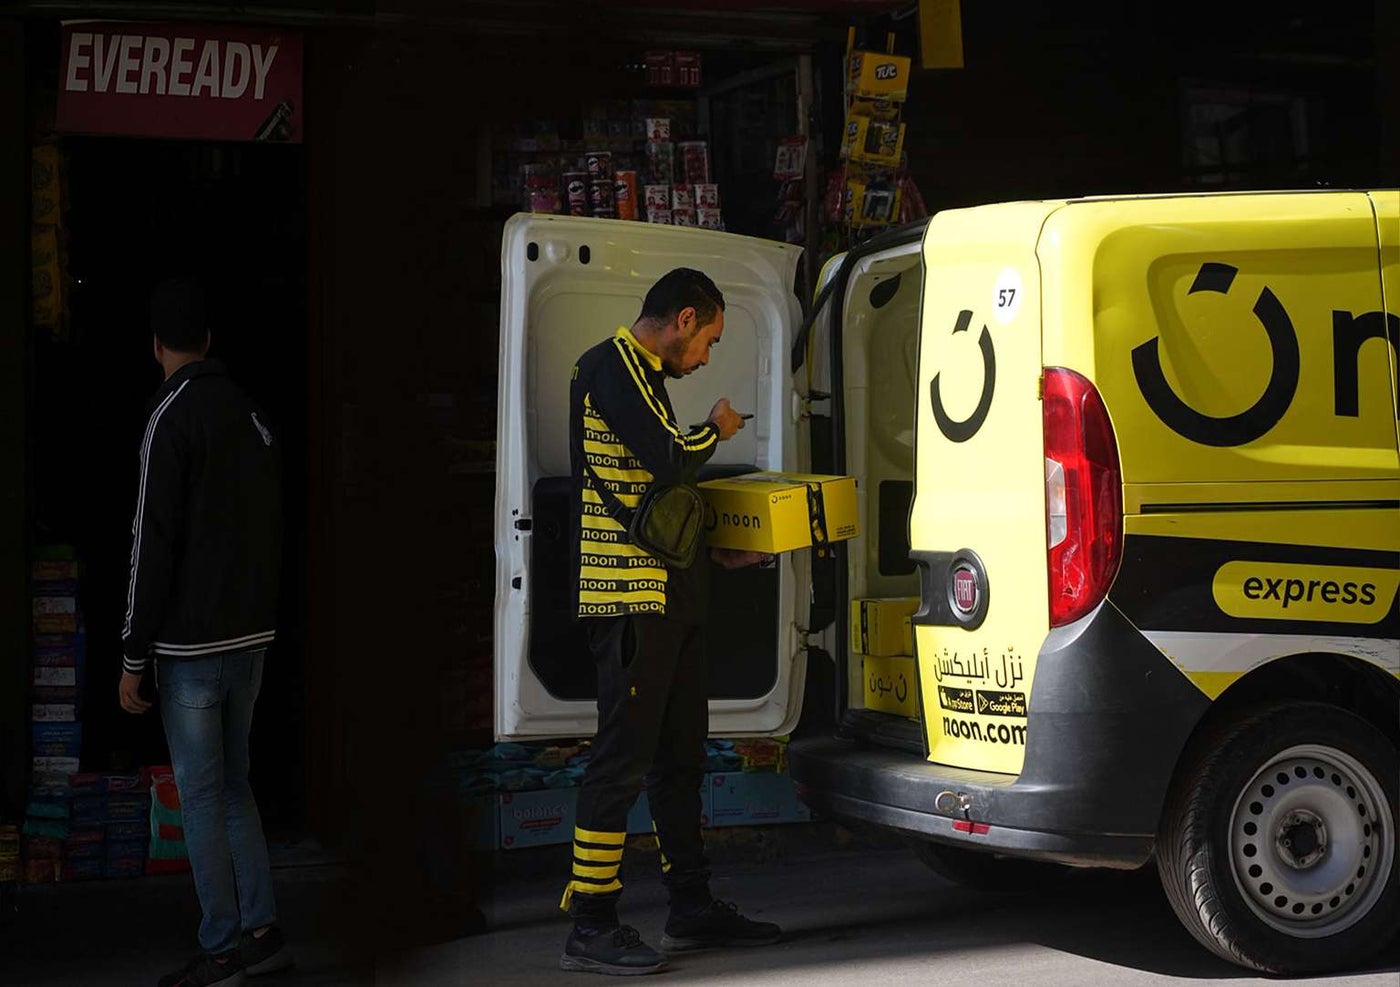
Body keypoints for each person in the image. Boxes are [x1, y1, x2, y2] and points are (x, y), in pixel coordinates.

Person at [560, 268, 780, 976]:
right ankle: (590, 922)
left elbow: (656, 493)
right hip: (629, 600)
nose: (706, 357)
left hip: (672, 594)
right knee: (619, 762)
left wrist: (714, 551)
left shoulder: (646, 376)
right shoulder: (610, 367)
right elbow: (669, 457)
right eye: (709, 340)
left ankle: (689, 905)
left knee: (680, 757)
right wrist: (713, 428)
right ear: (685, 318)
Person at [117, 279, 292, 987]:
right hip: (250, 638)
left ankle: (222, 947)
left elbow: (148, 542)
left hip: (191, 649)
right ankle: (263, 930)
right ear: (210, 340)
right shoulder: (251, 414)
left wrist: (133, 652)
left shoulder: (170, 417)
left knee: (200, 793)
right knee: (234, 787)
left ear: (156, 345)